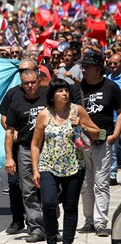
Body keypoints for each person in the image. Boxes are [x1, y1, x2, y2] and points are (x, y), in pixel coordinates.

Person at [31, 79, 100, 244]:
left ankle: (68, 241)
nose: (64, 94)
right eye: (60, 91)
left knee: (70, 206)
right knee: (48, 203)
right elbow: (35, 144)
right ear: (52, 95)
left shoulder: (78, 110)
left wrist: (82, 126)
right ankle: (52, 240)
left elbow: (98, 134)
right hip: (48, 165)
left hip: (75, 166)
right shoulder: (44, 114)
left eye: (66, 90)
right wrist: (35, 169)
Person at [71, 52, 121, 237]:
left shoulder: (111, 87)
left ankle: (101, 223)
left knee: (101, 184)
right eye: (82, 66)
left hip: (103, 141)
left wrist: (116, 134)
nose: (83, 69)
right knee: (85, 185)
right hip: (81, 143)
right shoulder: (77, 89)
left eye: (87, 66)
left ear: (98, 68)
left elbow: (120, 111)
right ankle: (89, 221)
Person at [5, 69, 46, 242]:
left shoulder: (48, 97)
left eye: (33, 82)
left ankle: (50, 224)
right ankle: (36, 228)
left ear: (39, 81)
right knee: (28, 190)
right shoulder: (16, 102)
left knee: (51, 190)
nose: (30, 86)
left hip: (48, 148)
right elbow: (9, 131)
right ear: (22, 84)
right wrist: (9, 157)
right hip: (25, 150)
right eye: (26, 83)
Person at [0, 59, 39, 235]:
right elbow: (4, 118)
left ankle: (44, 221)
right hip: (19, 146)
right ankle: (17, 219)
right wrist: (11, 129)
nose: (24, 73)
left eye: (28, 70)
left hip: (42, 147)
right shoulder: (12, 94)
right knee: (15, 183)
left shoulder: (45, 91)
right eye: (21, 71)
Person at [107, 53, 121, 186]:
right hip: (113, 118)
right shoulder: (108, 79)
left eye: (115, 63)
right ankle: (112, 175)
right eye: (110, 63)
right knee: (112, 148)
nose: (112, 66)